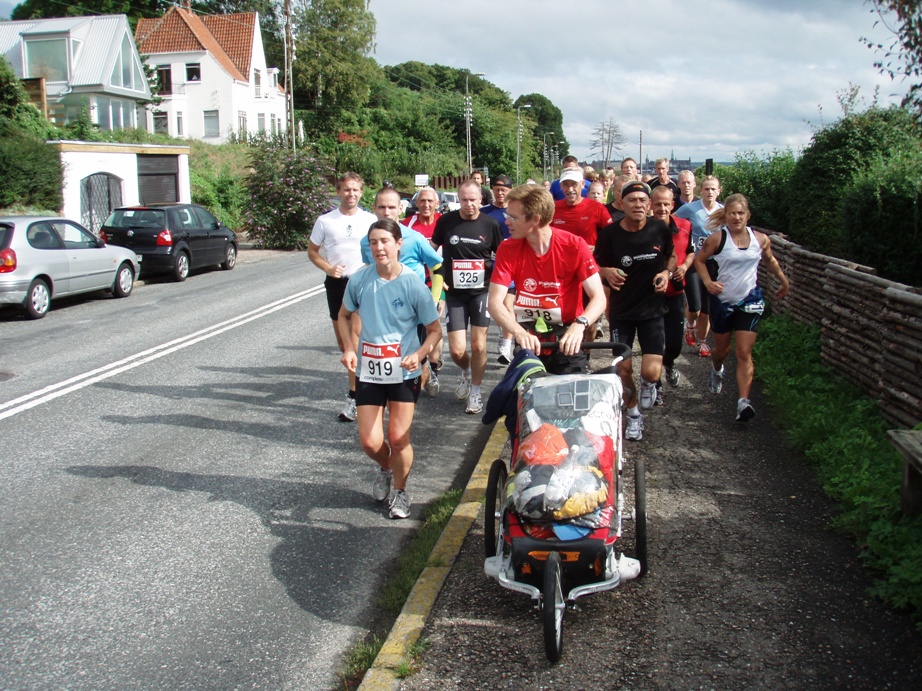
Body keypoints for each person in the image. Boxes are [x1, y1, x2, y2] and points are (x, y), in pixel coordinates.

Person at [338, 219, 442, 518]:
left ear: (399, 244)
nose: (379, 248)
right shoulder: (359, 280)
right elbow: (344, 316)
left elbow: (434, 331)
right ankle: (386, 467)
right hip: (370, 367)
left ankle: (400, 490)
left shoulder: (412, 284)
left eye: (385, 241)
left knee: (398, 438)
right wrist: (348, 347)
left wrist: (420, 355)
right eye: (373, 242)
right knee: (370, 442)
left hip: (404, 370)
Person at [488, 184, 606, 374]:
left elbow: (599, 298)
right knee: (525, 400)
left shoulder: (574, 245)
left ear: (535, 219)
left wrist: (580, 325)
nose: (507, 222)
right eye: (506, 216)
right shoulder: (507, 247)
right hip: (528, 336)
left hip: (567, 337)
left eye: (513, 217)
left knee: (567, 400)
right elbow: (494, 302)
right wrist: (517, 331)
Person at [693, 194, 789, 422]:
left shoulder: (760, 239)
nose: (736, 217)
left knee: (744, 352)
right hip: (723, 301)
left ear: (748, 216)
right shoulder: (717, 239)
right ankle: (717, 369)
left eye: (740, 213)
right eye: (732, 213)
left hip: (750, 299)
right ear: (725, 216)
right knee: (721, 351)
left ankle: (743, 402)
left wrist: (784, 281)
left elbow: (770, 260)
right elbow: (699, 261)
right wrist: (708, 283)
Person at [594, 181, 676, 441]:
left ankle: (649, 385)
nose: (638, 204)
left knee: (651, 372)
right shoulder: (610, 234)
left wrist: (666, 272)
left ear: (649, 204)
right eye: (632, 200)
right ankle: (633, 416)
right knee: (623, 371)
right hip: (622, 312)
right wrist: (605, 271)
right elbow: (594, 265)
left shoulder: (660, 229)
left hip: (652, 309)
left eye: (643, 200)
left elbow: (671, 256)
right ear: (622, 203)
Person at [361, 187, 445, 396]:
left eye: (391, 207)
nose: (386, 212)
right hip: (382, 312)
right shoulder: (366, 241)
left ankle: (422, 375)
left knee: (414, 357)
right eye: (381, 207)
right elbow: (367, 270)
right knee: (388, 357)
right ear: (374, 209)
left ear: (401, 208)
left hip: (412, 311)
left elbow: (438, 267)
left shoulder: (414, 238)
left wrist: (435, 298)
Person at [308, 172, 377, 422]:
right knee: (343, 343)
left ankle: (356, 396)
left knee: (355, 341)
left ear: (361, 192)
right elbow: (313, 251)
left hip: (362, 283)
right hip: (337, 284)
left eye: (356, 190)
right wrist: (327, 267)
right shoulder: (325, 221)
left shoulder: (370, 219)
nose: (351, 194)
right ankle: (361, 391)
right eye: (347, 190)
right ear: (338, 192)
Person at [430, 180, 504, 414]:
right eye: (464, 200)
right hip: (454, 294)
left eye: (473, 200)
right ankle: (467, 371)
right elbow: (431, 253)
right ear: (458, 200)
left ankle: (475, 392)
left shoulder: (491, 224)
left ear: (481, 200)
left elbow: (502, 258)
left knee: (479, 345)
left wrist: (490, 272)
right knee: (456, 350)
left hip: (481, 292)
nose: (468, 204)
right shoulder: (446, 222)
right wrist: (439, 280)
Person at [650, 186, 694, 402]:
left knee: (675, 345)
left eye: (666, 204)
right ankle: (656, 386)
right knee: (655, 343)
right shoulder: (642, 228)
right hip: (650, 295)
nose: (662, 208)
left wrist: (685, 266)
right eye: (657, 204)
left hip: (675, 292)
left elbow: (691, 251)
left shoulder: (685, 226)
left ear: (673, 204)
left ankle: (669, 362)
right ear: (650, 204)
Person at [675, 175, 723, 357]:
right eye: (706, 189)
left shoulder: (722, 211)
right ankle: (690, 324)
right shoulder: (690, 208)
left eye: (713, 189)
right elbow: (673, 222)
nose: (710, 192)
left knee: (707, 308)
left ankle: (702, 342)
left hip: (714, 263)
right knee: (695, 305)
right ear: (700, 191)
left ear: (719, 191)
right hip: (694, 262)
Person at [479, 174, 517, 364]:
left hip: (509, 265)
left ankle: (506, 345)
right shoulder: (484, 211)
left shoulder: (515, 211)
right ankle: (480, 346)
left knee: (507, 305)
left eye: (504, 190)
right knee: (488, 307)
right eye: (497, 189)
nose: (500, 193)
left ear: (510, 190)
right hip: (487, 267)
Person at [551, 167, 612, 250]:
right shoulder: (553, 208)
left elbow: (612, 234)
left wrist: (598, 248)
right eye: (566, 185)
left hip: (588, 260)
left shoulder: (596, 207)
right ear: (561, 186)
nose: (570, 189)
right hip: (561, 261)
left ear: (582, 184)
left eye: (574, 184)